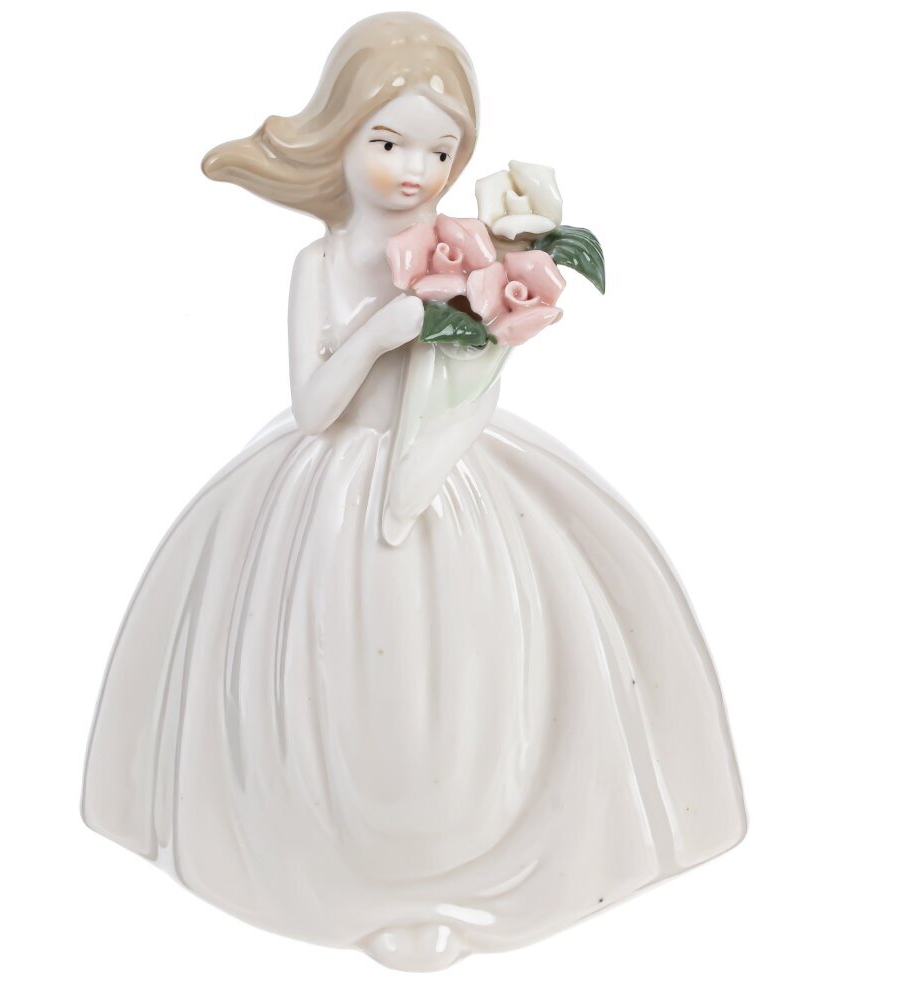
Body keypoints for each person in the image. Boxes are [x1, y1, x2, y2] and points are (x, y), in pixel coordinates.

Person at [81, 11, 747, 972]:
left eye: (440, 151)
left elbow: (477, 365)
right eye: (389, 142)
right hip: (337, 497)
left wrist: (480, 332)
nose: (414, 171)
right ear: (341, 136)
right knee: (341, 692)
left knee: (479, 680)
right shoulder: (319, 265)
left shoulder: (469, 249)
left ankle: (460, 871)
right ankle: (354, 876)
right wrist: (383, 333)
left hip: (449, 484)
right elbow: (314, 408)